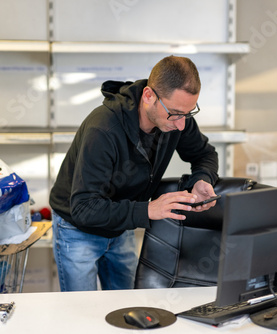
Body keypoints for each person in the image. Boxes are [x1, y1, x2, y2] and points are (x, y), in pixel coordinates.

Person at [49, 55, 219, 291]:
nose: (182, 124)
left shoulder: (177, 118)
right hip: (78, 230)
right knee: (81, 311)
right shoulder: (103, 129)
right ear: (149, 96)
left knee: (126, 306)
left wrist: (202, 179)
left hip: (122, 223)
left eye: (189, 113)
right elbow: (84, 208)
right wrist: (147, 210)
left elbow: (205, 155)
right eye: (176, 113)